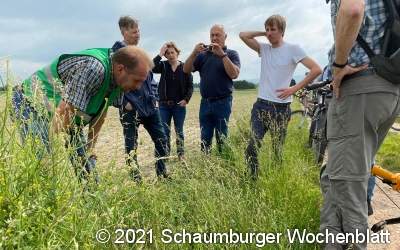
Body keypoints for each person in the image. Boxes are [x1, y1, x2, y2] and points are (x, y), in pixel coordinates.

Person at [320, 0, 400, 249]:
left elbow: (352, 9)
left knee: (348, 183)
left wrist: (339, 65)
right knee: (337, 175)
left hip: (360, 88)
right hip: (387, 87)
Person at [11, 46, 153, 182]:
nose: (138, 87)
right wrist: (53, 147)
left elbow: (100, 115)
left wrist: (90, 149)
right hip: (30, 104)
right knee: (43, 166)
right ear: (121, 69)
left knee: (89, 173)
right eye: (137, 81)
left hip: (66, 116)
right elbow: (65, 110)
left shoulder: (119, 82)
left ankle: (93, 203)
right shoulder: (94, 69)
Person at [239, 15, 322, 179]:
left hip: (281, 109)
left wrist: (294, 88)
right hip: (261, 106)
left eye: (273, 29)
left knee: (277, 150)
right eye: (267, 29)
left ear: (282, 31)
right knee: (252, 146)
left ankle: (276, 179)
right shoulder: (264, 49)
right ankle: (252, 179)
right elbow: (243, 35)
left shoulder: (293, 49)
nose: (269, 33)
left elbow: (316, 69)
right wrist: (264, 33)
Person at [112, 16, 169, 181]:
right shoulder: (118, 53)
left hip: (150, 106)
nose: (138, 34)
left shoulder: (139, 54)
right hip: (131, 109)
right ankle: (137, 181)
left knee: (162, 140)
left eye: (139, 31)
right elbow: (115, 81)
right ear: (124, 32)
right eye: (134, 31)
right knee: (131, 147)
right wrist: (124, 102)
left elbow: (150, 79)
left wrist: (155, 98)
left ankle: (162, 173)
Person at [183, 24, 240, 154]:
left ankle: (223, 165)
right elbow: (186, 69)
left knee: (222, 139)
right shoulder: (203, 55)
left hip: (223, 102)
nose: (214, 38)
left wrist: (222, 55)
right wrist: (194, 52)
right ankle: (206, 166)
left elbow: (234, 74)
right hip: (205, 103)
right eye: (212, 35)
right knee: (205, 139)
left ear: (225, 36)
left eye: (217, 35)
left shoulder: (231, 54)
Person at [152, 42, 193, 160]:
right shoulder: (163, 66)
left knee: (179, 130)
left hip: (179, 106)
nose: (170, 55)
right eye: (167, 53)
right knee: (164, 131)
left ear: (177, 53)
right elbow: (151, 67)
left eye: (172, 52)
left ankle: (181, 154)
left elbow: (190, 86)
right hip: (164, 105)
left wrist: (186, 99)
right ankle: (166, 154)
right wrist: (160, 53)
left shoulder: (185, 67)